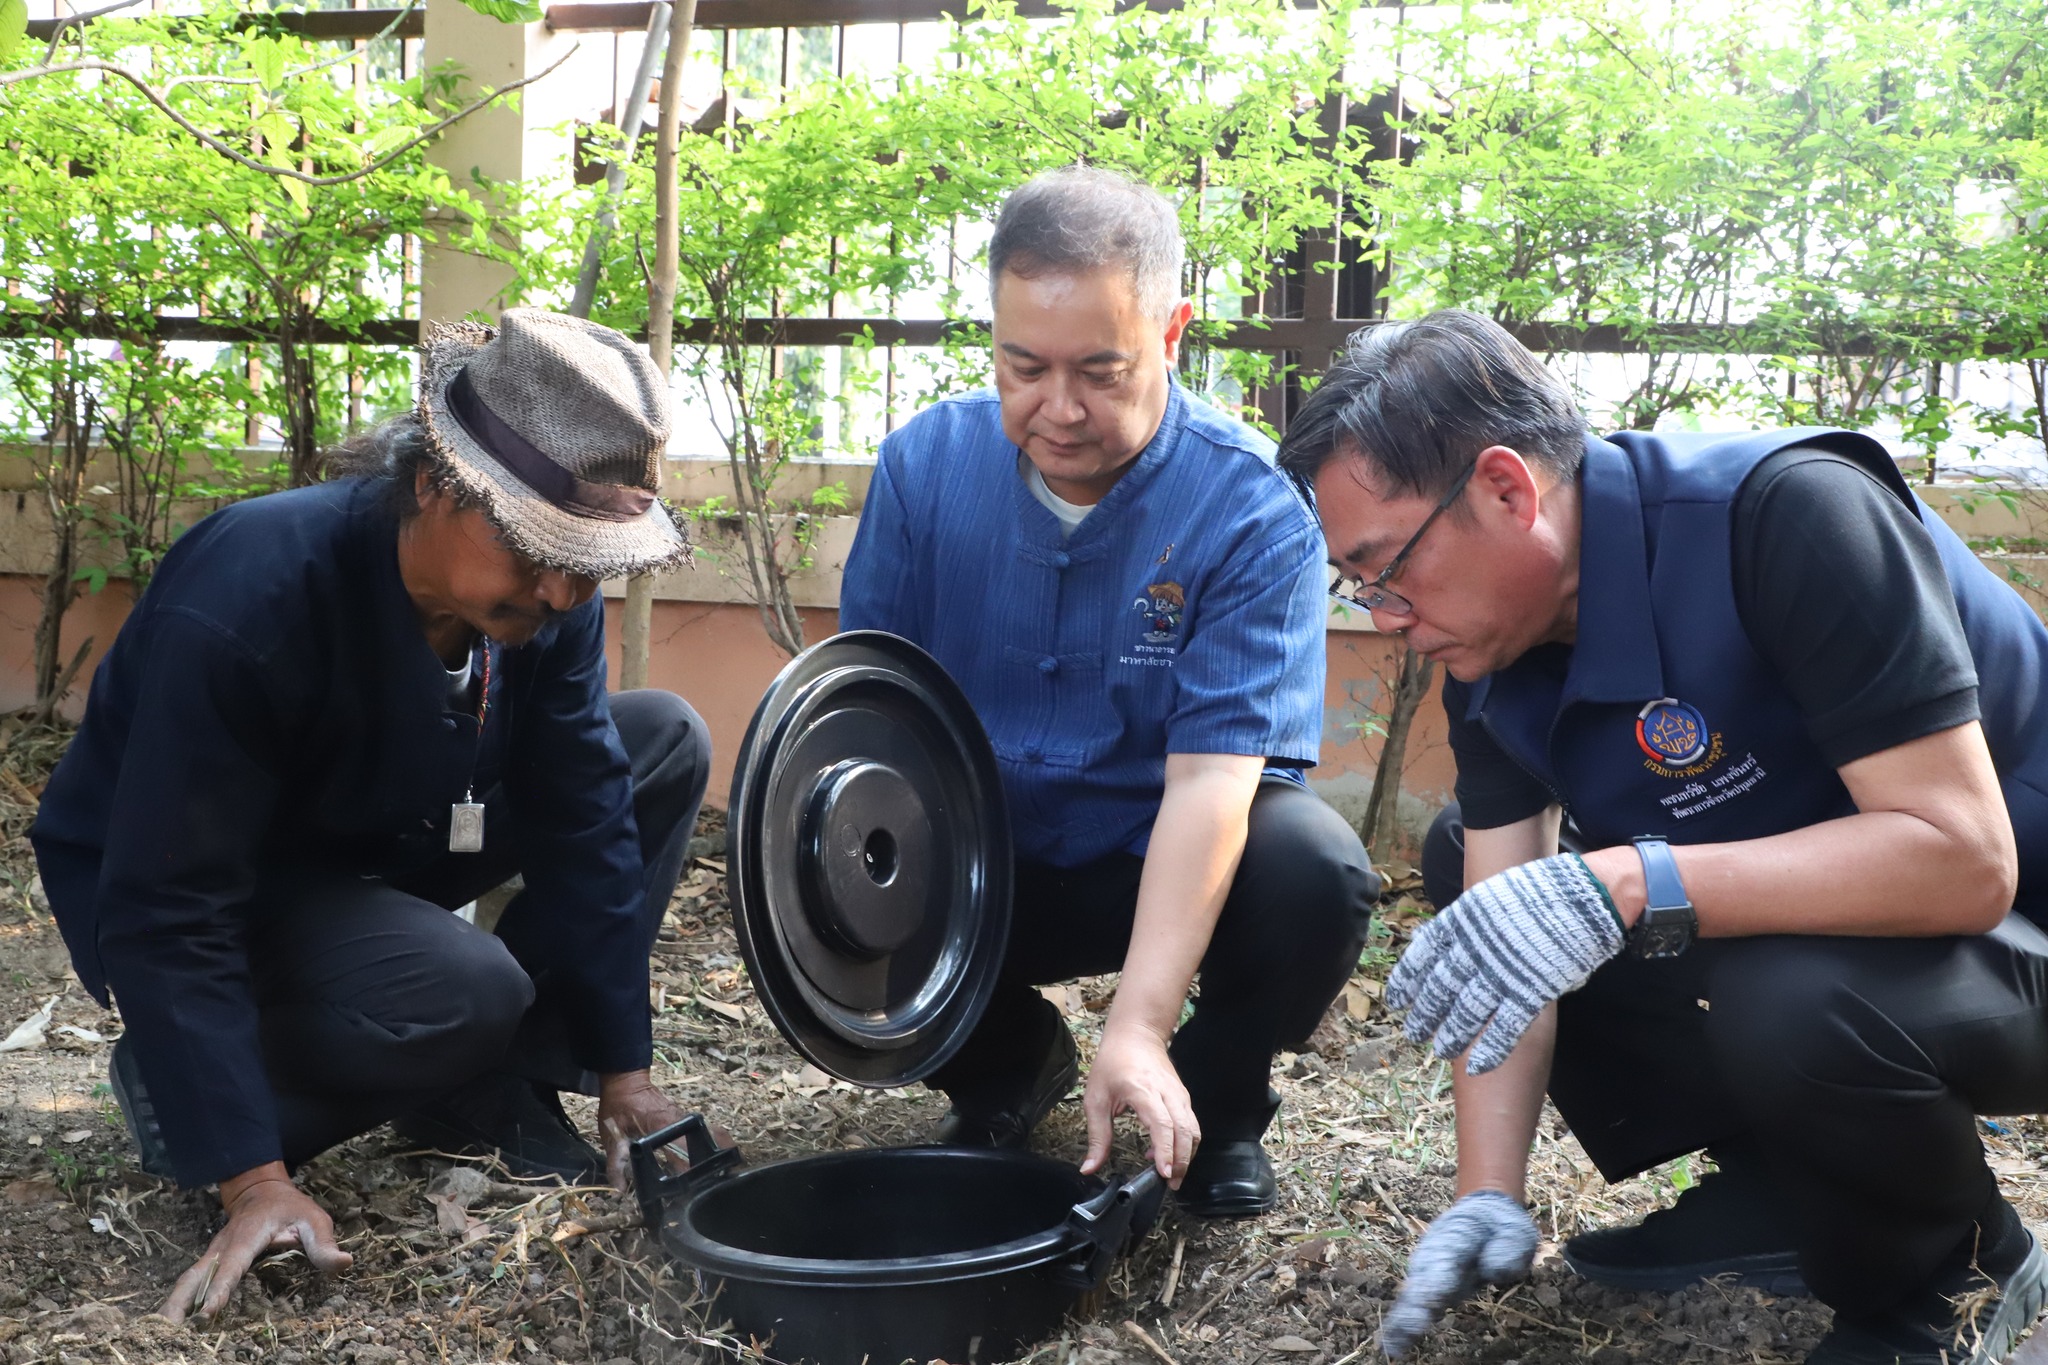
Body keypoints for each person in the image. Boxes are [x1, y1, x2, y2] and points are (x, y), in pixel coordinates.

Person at [1274, 308, 2048, 1365]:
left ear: (1505, 489)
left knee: (1780, 985)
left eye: (1384, 566)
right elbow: (1509, 939)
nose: (1385, 612)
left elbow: (1963, 859)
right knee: (1481, 866)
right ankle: (1782, 1191)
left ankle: (1953, 1272)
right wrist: (1484, 1191)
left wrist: (1623, 886)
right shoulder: (1492, 651)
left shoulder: (1785, 516)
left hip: (2013, 938)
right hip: (1861, 938)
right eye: (1357, 586)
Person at [30, 310, 713, 1324]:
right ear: (437, 485)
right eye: (536, 548)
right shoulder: (248, 598)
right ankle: (203, 1097)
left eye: (588, 559)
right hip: (219, 880)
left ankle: (498, 1083)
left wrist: (626, 1074)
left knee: (659, 739)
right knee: (466, 985)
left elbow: (586, 813)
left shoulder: (542, 608)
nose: (564, 588)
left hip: (391, 830)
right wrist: (250, 1173)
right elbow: (168, 904)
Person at [838, 166, 1380, 1218]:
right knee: (814, 849)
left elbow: (1215, 784)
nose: (1059, 409)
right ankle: (1004, 1063)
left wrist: (1134, 1024)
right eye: (1022, 367)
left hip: (1160, 857)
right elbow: (871, 716)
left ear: (1171, 330)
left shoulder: (1250, 509)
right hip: (981, 859)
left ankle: (1212, 1105)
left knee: (1311, 872)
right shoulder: (922, 468)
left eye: (1099, 369)